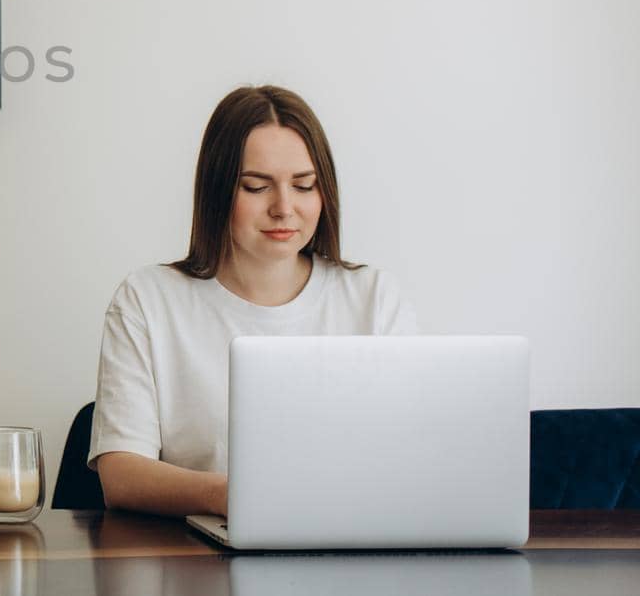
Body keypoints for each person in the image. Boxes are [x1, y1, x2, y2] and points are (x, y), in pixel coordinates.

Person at [88, 85, 417, 518]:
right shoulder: (147, 300)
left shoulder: (374, 298)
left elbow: (413, 455)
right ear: (218, 190)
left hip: (352, 539)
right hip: (196, 559)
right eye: (257, 187)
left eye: (304, 185)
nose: (284, 208)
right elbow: (121, 475)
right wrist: (231, 498)